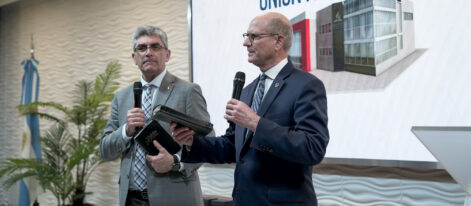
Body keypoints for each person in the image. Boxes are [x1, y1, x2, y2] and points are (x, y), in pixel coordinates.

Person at [172, 12, 329, 205]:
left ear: (278, 41)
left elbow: (312, 148)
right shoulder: (248, 90)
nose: (246, 43)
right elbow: (233, 146)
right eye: (246, 36)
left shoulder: (306, 85)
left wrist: (255, 122)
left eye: (254, 36)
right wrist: (192, 143)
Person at [99, 25, 211, 206]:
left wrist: (175, 162)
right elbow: (105, 151)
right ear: (134, 57)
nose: (148, 52)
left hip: (175, 197)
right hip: (131, 198)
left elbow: (208, 143)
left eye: (155, 47)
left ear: (167, 54)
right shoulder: (122, 97)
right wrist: (126, 131)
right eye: (142, 48)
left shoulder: (188, 91)